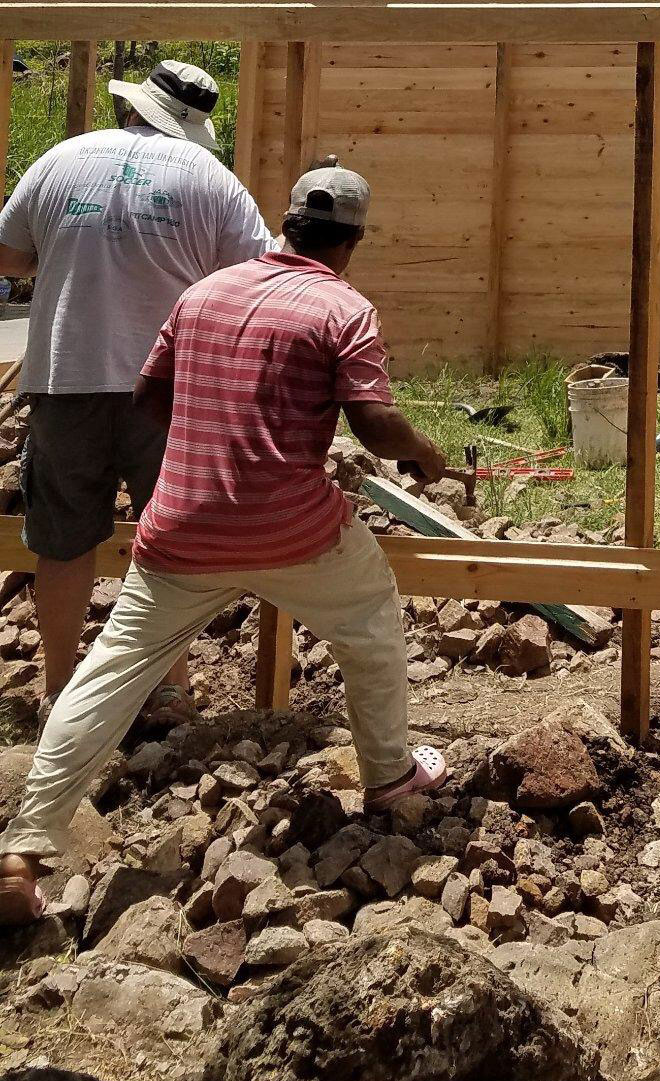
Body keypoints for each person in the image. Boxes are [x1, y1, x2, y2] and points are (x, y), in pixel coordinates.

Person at [0, 167, 451, 926]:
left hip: (181, 527)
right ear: (352, 242)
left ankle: (22, 850)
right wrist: (425, 454)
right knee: (370, 617)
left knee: (109, 669)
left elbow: (150, 397)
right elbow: (375, 425)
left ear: (286, 223)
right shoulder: (344, 308)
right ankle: (390, 777)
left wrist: (210, 439)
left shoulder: (203, 294)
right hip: (293, 530)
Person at [0, 61, 273, 732]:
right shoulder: (212, 181)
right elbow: (260, 279)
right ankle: (169, 689)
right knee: (169, 543)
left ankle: (60, 689)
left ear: (134, 107)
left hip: (66, 380)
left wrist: (68, 256)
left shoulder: (62, 160)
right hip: (168, 392)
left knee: (62, 541)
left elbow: (7, 255)